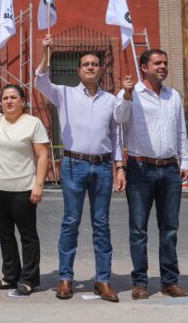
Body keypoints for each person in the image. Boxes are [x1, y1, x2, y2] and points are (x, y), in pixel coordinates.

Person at [34, 34, 124, 302]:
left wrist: (120, 166)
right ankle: (65, 278)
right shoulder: (65, 94)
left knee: (101, 224)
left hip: (103, 166)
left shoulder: (111, 100)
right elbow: (40, 81)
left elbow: (117, 136)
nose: (90, 67)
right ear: (78, 70)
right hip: (74, 164)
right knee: (70, 222)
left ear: (101, 69)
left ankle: (103, 280)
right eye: (85, 64)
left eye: (94, 64)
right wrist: (45, 53)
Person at [115, 49, 188, 299]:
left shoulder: (174, 96)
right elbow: (118, 119)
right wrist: (126, 95)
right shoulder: (130, 94)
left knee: (169, 227)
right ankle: (140, 282)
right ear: (143, 67)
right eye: (157, 63)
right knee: (138, 229)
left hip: (170, 168)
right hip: (140, 168)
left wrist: (186, 160)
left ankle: (170, 281)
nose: (163, 67)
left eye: (165, 63)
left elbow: (181, 129)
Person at [0, 75, 49, 296]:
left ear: (23, 101)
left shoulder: (33, 123)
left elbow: (42, 156)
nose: (9, 102)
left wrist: (38, 185)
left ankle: (29, 279)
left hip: (23, 189)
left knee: (27, 235)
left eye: (14, 97)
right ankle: (10, 276)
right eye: (5, 98)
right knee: (5, 235)